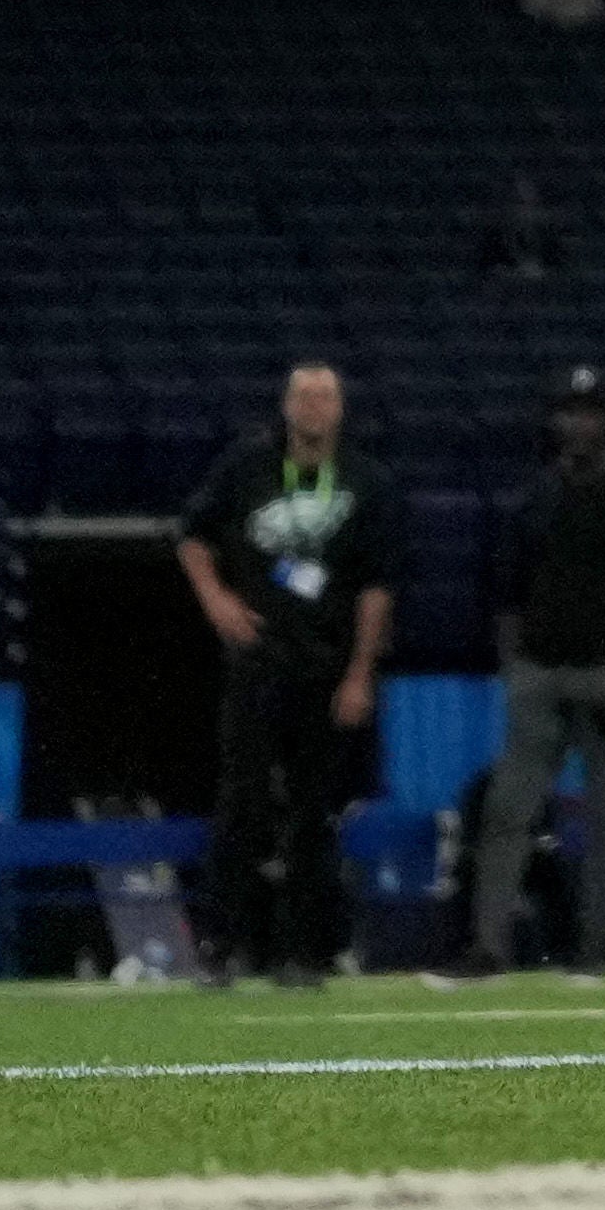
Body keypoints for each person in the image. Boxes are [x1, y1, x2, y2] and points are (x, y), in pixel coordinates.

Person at [172, 358, 395, 985]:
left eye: (326, 397)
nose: (314, 408)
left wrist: (360, 672)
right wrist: (216, 601)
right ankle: (219, 946)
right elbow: (192, 537)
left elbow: (378, 588)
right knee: (240, 801)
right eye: (304, 396)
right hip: (257, 660)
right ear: (286, 405)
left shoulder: (367, 482)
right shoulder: (248, 467)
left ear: (341, 408)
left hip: (324, 665)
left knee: (311, 810)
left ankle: (304, 953)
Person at [468, 369, 605, 981]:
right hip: (540, 671)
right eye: (570, 412)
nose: (580, 424)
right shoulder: (538, 495)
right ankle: (488, 947)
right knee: (508, 811)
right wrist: (513, 669)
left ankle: (595, 949)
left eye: (592, 413)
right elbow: (508, 589)